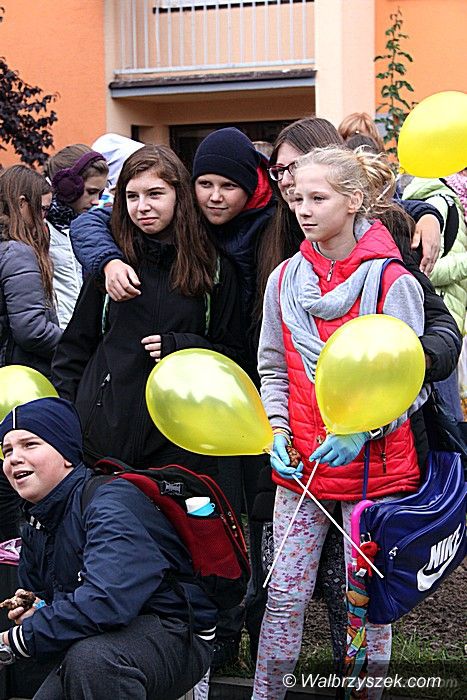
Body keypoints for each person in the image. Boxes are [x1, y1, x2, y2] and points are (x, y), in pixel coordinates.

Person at [252, 116, 462, 671]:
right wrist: (277, 429)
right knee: (283, 599)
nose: (303, 209)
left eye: (318, 198)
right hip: (303, 465)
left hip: (375, 469)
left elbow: (407, 381)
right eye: (297, 198)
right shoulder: (283, 280)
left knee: (364, 608)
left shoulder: (393, 281)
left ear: (353, 201)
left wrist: (364, 429)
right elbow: (274, 366)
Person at [0, 396, 215, 699]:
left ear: (66, 454)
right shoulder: (37, 518)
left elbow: (106, 601)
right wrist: (38, 607)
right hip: (106, 635)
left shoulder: (110, 503)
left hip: (176, 633)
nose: (14, 459)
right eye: (7, 450)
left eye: (30, 445)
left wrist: (17, 640)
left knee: (93, 662)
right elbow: (54, 596)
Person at [51, 144, 243, 473]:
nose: (142, 207)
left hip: (182, 445)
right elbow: (73, 350)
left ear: (179, 195)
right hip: (102, 442)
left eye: (155, 194)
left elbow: (236, 356)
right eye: (132, 196)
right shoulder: (111, 262)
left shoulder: (213, 267)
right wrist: (66, 423)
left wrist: (183, 346)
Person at [0, 164, 62, 542]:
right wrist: (73, 343)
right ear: (22, 204)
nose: (44, 221)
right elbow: (31, 329)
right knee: (13, 485)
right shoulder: (18, 253)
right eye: (41, 210)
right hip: (19, 381)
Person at [403, 174, 467, 421]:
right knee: (448, 421)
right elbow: (424, 268)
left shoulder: (458, 200)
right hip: (435, 331)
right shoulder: (440, 201)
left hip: (450, 327)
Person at [44, 144, 109, 328]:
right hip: (54, 335)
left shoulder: (93, 226)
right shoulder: (38, 228)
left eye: (100, 193)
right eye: (91, 192)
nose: (96, 201)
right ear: (66, 187)